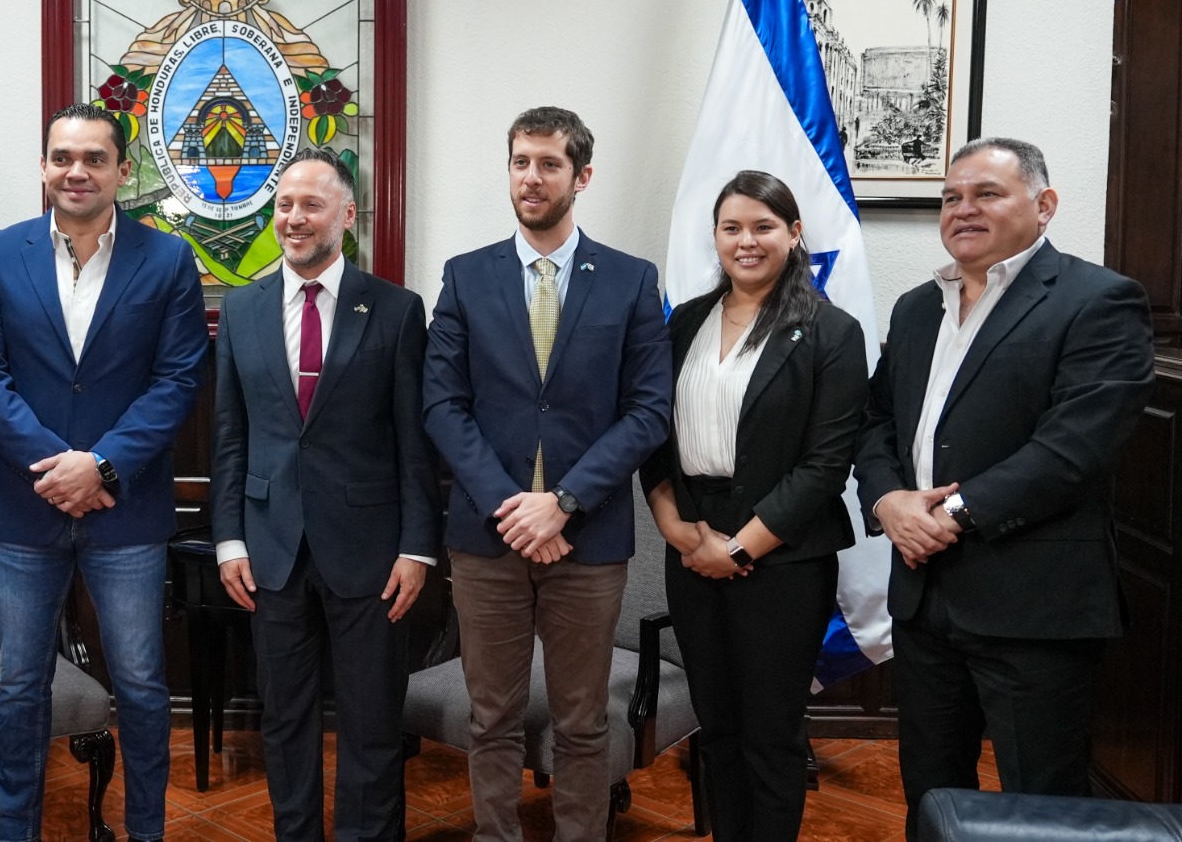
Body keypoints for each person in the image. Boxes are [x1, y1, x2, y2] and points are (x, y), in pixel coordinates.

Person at [854, 138, 1153, 839]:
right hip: (923, 600)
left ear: (1044, 205)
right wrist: (889, 501)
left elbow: (1073, 449)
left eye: (986, 193)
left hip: (1033, 605)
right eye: (951, 197)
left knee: (1043, 806)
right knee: (933, 797)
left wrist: (950, 515)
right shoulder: (917, 308)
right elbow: (875, 422)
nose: (963, 209)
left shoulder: (1099, 299)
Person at [0, 102, 209, 842]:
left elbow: (178, 381)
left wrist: (99, 465)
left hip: (124, 509)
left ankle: (146, 830)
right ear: (43, 167)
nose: (77, 171)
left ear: (123, 171)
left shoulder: (167, 260)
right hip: (23, 504)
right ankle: (16, 829)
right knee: (20, 683)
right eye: (62, 157)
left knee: (141, 682)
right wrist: (58, 469)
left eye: (95, 158)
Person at [422, 106, 672, 842]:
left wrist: (562, 503)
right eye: (520, 162)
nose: (531, 178)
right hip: (487, 537)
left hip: (586, 541)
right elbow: (442, 405)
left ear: (581, 176)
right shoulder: (465, 276)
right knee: (491, 717)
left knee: (582, 722)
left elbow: (649, 411)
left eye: (549, 164)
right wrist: (514, 507)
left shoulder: (630, 280)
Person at [211, 148, 439, 842]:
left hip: (371, 552)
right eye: (284, 204)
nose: (294, 218)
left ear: (347, 215)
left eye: (311, 205)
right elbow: (230, 435)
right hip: (269, 548)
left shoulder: (396, 310)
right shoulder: (242, 308)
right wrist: (228, 540)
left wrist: (417, 548)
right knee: (284, 719)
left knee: (372, 721)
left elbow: (414, 441)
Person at [641, 170, 867, 842]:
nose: (747, 241)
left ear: (794, 234)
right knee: (717, 728)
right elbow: (654, 435)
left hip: (783, 559)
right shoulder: (684, 322)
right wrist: (677, 531)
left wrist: (737, 548)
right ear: (715, 237)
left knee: (770, 734)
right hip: (691, 547)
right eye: (731, 227)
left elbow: (825, 466)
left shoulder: (831, 331)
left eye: (763, 226)